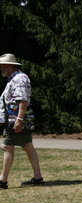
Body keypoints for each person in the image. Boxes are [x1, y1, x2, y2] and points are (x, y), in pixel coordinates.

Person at [0, 53, 43, 189]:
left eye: (2, 66)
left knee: (7, 147)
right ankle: (38, 177)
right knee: (28, 147)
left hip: (15, 121)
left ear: (8, 66)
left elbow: (22, 101)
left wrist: (19, 120)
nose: (1, 69)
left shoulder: (18, 79)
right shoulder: (16, 78)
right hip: (18, 120)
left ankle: (2, 181)